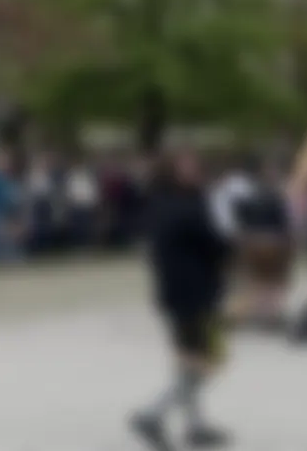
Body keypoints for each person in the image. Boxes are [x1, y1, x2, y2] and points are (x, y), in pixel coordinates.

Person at [130, 152, 231, 451]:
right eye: (188, 169)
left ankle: (196, 425)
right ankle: (152, 414)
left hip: (179, 293)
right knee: (207, 360)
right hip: (193, 293)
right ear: (172, 174)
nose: (197, 172)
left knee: (188, 361)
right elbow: (213, 243)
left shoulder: (163, 203)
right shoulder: (184, 207)